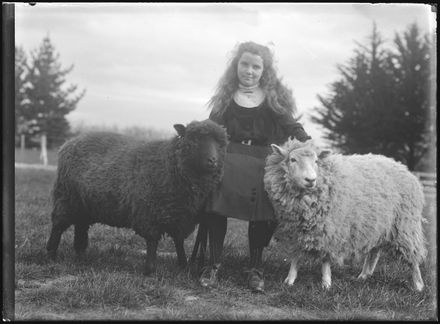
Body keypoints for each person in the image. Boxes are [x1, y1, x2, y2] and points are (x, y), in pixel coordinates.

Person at [198, 41, 311, 293]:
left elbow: (291, 126)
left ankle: (256, 268)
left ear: (264, 70)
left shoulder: (272, 99)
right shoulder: (226, 97)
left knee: (261, 213)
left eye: (256, 66)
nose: (249, 71)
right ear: (236, 66)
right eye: (244, 64)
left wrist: (308, 141)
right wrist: (193, 131)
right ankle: (213, 264)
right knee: (215, 207)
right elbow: (211, 125)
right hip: (229, 158)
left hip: (261, 161)